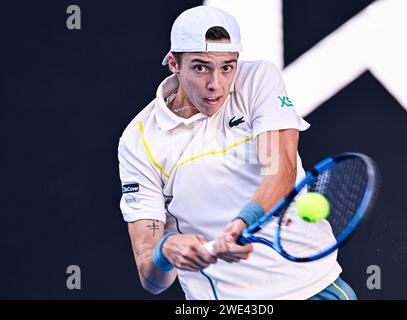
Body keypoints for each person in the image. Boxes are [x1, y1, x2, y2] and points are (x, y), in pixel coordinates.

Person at [118, 5, 356, 300]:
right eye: (200, 67)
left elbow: (280, 169)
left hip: (311, 287)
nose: (215, 84)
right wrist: (166, 252)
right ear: (173, 63)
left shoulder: (258, 80)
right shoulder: (139, 141)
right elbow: (151, 279)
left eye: (227, 67)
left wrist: (243, 222)